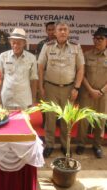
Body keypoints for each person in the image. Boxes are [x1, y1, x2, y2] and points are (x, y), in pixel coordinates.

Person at [38, 21, 85, 158]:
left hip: (69, 88)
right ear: (55, 32)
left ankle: (66, 145)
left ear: (68, 32)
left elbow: (81, 68)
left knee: (66, 118)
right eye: (60, 29)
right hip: (50, 87)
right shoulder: (47, 47)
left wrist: (76, 87)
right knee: (50, 118)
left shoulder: (76, 47)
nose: (63, 32)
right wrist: (41, 86)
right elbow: (40, 67)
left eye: (65, 29)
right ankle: (50, 144)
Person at [76, 27, 107, 158]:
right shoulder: (86, 55)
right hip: (86, 93)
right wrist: (90, 90)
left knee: (100, 120)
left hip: (103, 95)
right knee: (83, 121)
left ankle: (97, 145)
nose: (98, 41)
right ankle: (81, 144)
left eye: (101, 38)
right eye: (96, 38)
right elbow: (81, 74)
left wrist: (101, 91)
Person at [0, 28, 38, 109]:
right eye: (13, 43)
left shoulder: (31, 58)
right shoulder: (3, 56)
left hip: (24, 100)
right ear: (10, 42)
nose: (15, 46)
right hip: (7, 99)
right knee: (7, 121)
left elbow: (34, 80)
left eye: (19, 43)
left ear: (24, 43)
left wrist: (33, 100)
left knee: (24, 121)